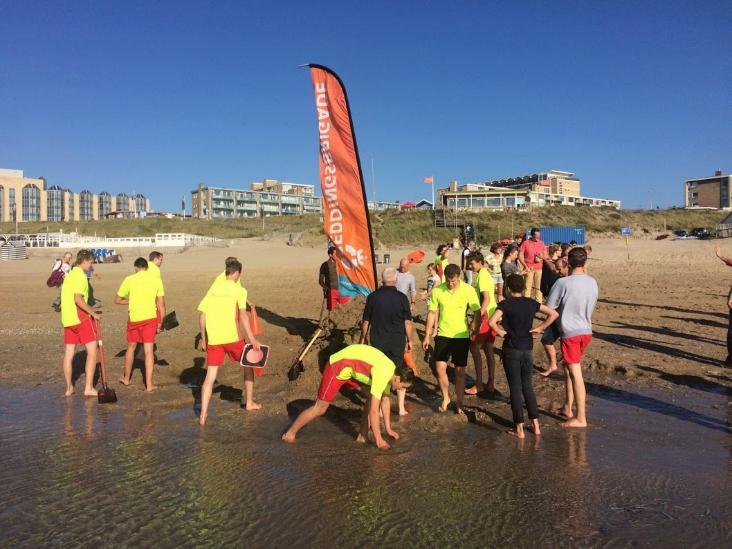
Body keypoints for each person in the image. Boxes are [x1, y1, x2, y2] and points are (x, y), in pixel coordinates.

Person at [281, 344, 410, 448]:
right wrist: (379, 440)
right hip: (337, 365)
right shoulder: (384, 374)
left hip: (351, 369)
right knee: (320, 408)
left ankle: (362, 436)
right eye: (403, 386)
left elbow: (385, 400)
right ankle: (290, 434)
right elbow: (374, 411)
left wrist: (388, 429)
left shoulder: (392, 372)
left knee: (372, 397)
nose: (402, 390)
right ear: (398, 379)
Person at [488, 274, 558, 438]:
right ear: (522, 288)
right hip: (527, 348)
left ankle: (519, 429)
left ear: (508, 288)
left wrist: (501, 333)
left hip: (511, 348)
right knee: (527, 386)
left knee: (515, 388)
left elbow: (491, 322)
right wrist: (540, 328)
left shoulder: (505, 304)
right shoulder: (531, 303)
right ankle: (536, 426)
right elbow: (553, 314)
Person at [197, 260, 263, 425]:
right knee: (248, 365)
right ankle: (249, 403)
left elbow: (202, 316)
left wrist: (204, 338)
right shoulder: (240, 290)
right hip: (232, 337)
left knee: (210, 377)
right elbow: (242, 315)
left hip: (214, 339)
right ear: (238, 273)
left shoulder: (213, 289)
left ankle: (203, 416)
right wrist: (252, 339)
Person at [546, 247, 598, 428]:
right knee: (569, 368)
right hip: (586, 330)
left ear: (568, 263)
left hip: (570, 333)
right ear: (585, 263)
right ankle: (568, 407)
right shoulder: (592, 282)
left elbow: (550, 308)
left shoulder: (563, 283)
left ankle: (581, 417)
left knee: (575, 373)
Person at [421, 264, 480, 413]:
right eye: (448, 281)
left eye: (453, 281)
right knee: (440, 369)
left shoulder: (468, 290)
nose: (450, 284)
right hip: (443, 334)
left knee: (459, 372)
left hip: (461, 335)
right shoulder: (438, 290)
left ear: (458, 277)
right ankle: (446, 397)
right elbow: (432, 313)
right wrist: (427, 335)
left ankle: (459, 402)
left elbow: (477, 311)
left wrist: (475, 325)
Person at [361, 268, 413, 416]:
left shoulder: (372, 297)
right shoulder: (402, 297)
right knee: (399, 372)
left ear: (381, 281)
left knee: (380, 374)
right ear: (395, 280)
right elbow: (407, 323)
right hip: (397, 341)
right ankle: (401, 408)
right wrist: (410, 340)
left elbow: (366, 321)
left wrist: (364, 338)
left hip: (378, 341)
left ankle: (380, 410)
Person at [115, 257, 165, 391]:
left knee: (131, 347)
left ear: (136, 268)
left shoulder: (129, 279)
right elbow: (161, 304)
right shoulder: (156, 280)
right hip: (150, 317)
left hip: (135, 318)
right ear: (147, 268)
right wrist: (161, 322)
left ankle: (126, 379)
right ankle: (149, 385)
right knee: (149, 351)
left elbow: (117, 300)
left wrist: (130, 301)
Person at [60, 249, 101, 397]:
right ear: (84, 261)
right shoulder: (81, 277)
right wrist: (93, 313)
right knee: (92, 351)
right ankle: (88, 388)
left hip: (67, 318)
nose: (91, 266)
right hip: (80, 317)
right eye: (90, 263)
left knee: (69, 354)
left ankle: (69, 388)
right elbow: (78, 299)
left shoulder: (69, 276)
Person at [465, 251, 498, 396]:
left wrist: (476, 318)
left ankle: (479, 384)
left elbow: (486, 299)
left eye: (471, 263)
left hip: (485, 315)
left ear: (479, 262)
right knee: (488, 349)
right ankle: (490, 382)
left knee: (474, 348)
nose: (470, 266)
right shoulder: (486, 274)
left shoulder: (483, 275)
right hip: (493, 315)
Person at [539, 256, 569, 377]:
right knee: (546, 340)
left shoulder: (565, 281)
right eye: (556, 268)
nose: (557, 271)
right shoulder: (559, 279)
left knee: (564, 342)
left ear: (567, 266)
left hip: (564, 318)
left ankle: (566, 366)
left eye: (559, 268)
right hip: (557, 317)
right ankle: (553, 365)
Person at [519, 228, 545, 302]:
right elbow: (520, 255)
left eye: (539, 235)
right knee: (527, 287)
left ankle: (539, 304)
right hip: (528, 268)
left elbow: (545, 255)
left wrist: (540, 257)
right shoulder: (525, 243)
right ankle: (526, 303)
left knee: (538, 287)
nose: (538, 237)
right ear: (532, 235)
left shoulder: (542, 243)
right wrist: (525, 266)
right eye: (536, 235)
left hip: (539, 268)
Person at [319, 246, 339, 311]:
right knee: (332, 311)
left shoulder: (340, 264)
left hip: (342, 290)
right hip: (331, 291)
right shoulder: (324, 265)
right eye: (335, 254)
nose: (337, 256)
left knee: (341, 311)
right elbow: (320, 281)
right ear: (330, 255)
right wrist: (325, 288)